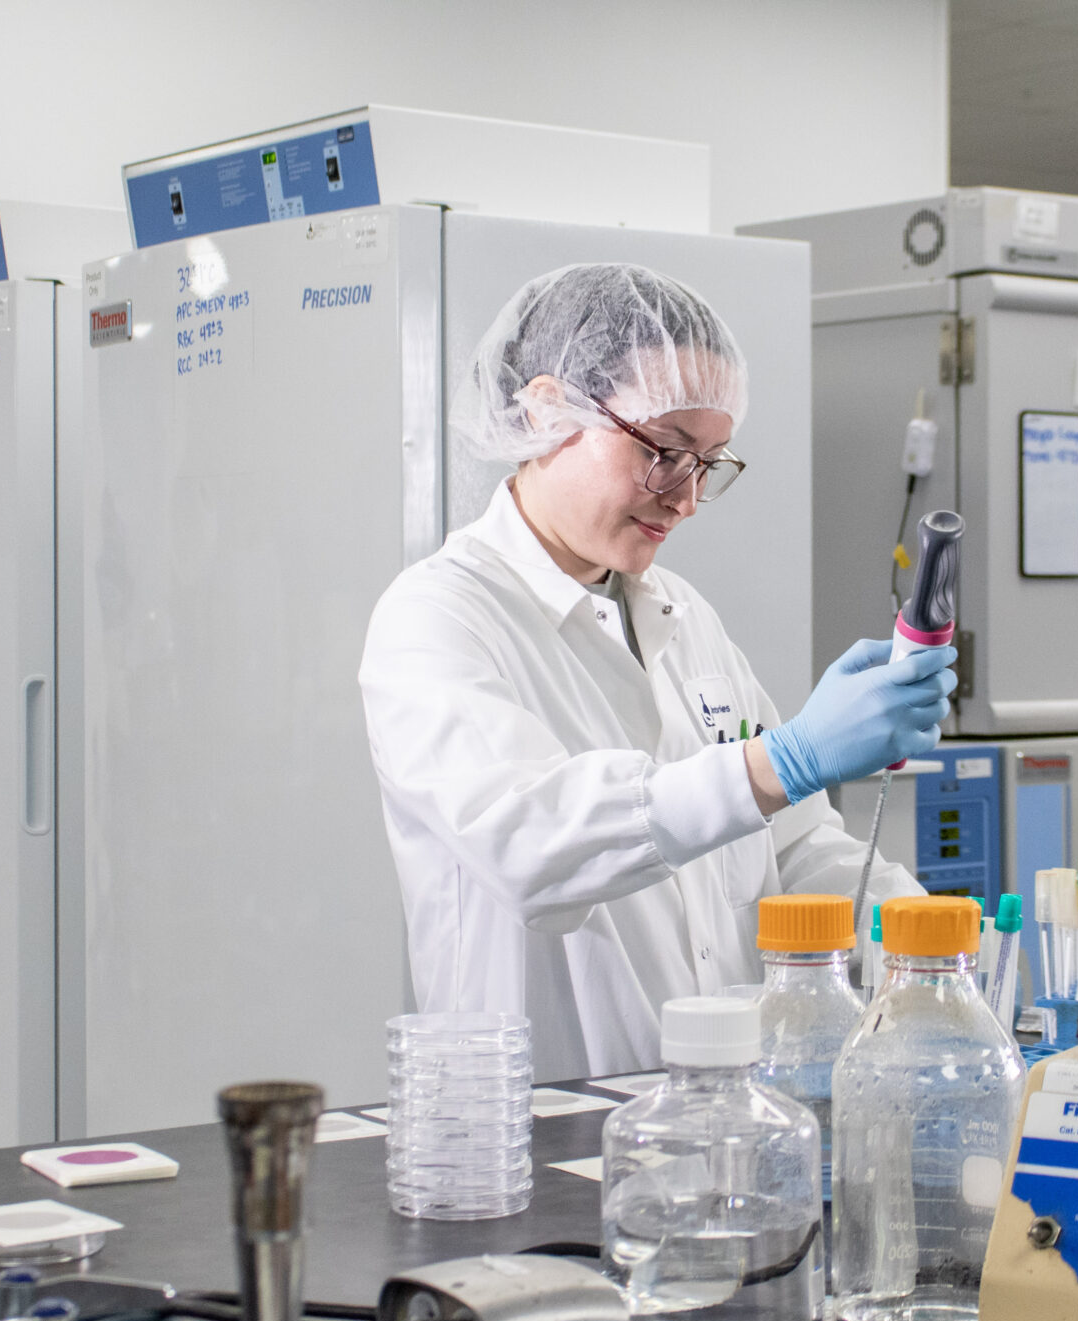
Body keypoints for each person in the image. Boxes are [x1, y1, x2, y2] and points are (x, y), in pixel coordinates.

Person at [359, 263, 958, 1080]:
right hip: (535, 1131)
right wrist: (780, 760)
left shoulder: (681, 613)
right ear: (546, 409)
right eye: (663, 452)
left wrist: (936, 946)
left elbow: (795, 849)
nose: (684, 498)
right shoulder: (438, 617)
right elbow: (533, 844)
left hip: (717, 1121)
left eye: (709, 462)